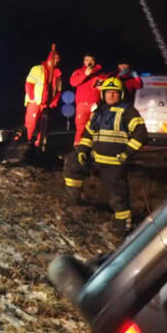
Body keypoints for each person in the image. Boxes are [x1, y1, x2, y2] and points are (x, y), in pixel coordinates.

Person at [64, 76, 149, 237]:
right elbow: (88, 134)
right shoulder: (98, 113)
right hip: (96, 159)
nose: (111, 95)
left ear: (121, 95)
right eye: (108, 92)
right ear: (103, 94)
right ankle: (73, 199)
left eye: (115, 93)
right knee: (72, 161)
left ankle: (123, 227)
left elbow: (141, 134)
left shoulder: (128, 112)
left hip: (114, 163)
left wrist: (127, 153)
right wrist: (82, 150)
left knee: (118, 197)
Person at [22, 45, 62, 151]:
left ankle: (40, 145)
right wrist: (32, 98)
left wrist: (54, 102)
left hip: (46, 104)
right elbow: (29, 84)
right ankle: (25, 144)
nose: (57, 61)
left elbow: (58, 91)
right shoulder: (37, 69)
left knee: (44, 126)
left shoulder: (57, 75)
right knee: (30, 124)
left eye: (58, 59)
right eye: (55, 59)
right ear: (50, 59)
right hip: (35, 102)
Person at [68, 54, 106, 146]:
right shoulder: (78, 72)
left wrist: (102, 88)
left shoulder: (101, 74)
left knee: (95, 126)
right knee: (80, 127)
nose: (89, 62)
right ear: (83, 61)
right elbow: (73, 82)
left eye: (91, 60)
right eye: (87, 60)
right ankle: (78, 146)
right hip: (82, 104)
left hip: (95, 104)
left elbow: (104, 88)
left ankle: (93, 147)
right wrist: (85, 74)